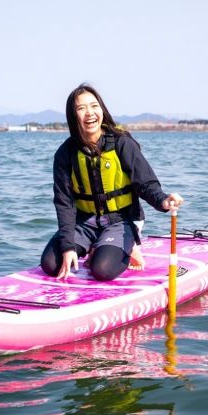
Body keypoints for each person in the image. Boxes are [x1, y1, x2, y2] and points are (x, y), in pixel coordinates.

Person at [40, 83, 184, 282]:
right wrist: (67, 247)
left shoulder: (121, 142)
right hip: (85, 222)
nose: (89, 113)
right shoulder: (65, 154)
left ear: (102, 109)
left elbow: (145, 183)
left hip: (120, 220)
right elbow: (64, 204)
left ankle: (128, 247)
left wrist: (163, 200)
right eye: (81, 108)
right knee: (50, 265)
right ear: (73, 117)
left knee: (102, 270)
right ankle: (94, 245)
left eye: (94, 106)